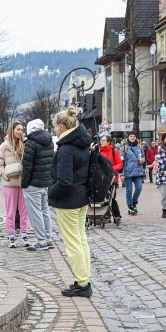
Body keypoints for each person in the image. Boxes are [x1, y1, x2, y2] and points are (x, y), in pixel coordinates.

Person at [48, 106, 92, 297]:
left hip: (68, 201)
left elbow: (64, 182)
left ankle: (82, 284)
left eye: (56, 126)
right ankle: (84, 279)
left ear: (62, 126)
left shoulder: (66, 148)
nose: (55, 130)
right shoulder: (81, 144)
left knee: (73, 243)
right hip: (81, 198)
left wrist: (50, 192)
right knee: (81, 240)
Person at [0, 121, 31, 248]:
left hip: (23, 184)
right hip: (10, 184)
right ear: (12, 130)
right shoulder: (4, 146)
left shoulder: (25, 145)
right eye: (18, 129)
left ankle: (24, 235)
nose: (20, 131)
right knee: (10, 212)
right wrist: (4, 175)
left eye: (22, 129)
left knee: (24, 212)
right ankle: (11, 236)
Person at [21, 119, 54, 251]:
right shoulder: (49, 141)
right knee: (45, 210)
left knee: (35, 213)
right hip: (46, 181)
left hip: (34, 183)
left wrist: (24, 183)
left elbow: (27, 166)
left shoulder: (31, 143)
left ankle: (41, 241)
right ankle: (48, 238)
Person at [120, 132, 146, 216]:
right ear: (128, 137)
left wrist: (142, 160)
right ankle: (130, 205)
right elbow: (121, 161)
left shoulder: (139, 147)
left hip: (138, 171)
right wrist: (122, 174)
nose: (132, 137)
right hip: (128, 172)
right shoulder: (124, 148)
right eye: (131, 136)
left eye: (134, 136)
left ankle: (134, 202)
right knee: (129, 190)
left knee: (139, 187)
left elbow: (143, 157)